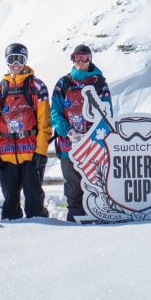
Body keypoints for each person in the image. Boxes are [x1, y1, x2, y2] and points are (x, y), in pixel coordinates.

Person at [0, 43, 52, 220]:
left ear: (25, 61)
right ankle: (12, 237)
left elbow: (45, 122)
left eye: (20, 60)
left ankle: (41, 230)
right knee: (10, 204)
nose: (16, 64)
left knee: (34, 202)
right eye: (11, 60)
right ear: (6, 62)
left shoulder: (36, 86)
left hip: (31, 153)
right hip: (7, 154)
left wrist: (41, 151)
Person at [51, 44, 113, 222]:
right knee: (73, 186)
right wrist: (68, 131)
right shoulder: (64, 83)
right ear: (72, 59)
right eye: (77, 57)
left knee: (94, 183)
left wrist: (93, 135)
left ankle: (95, 218)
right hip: (68, 145)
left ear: (90, 59)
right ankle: (74, 220)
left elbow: (107, 112)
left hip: (92, 145)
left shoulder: (100, 83)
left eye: (85, 57)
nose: (81, 61)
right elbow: (55, 112)